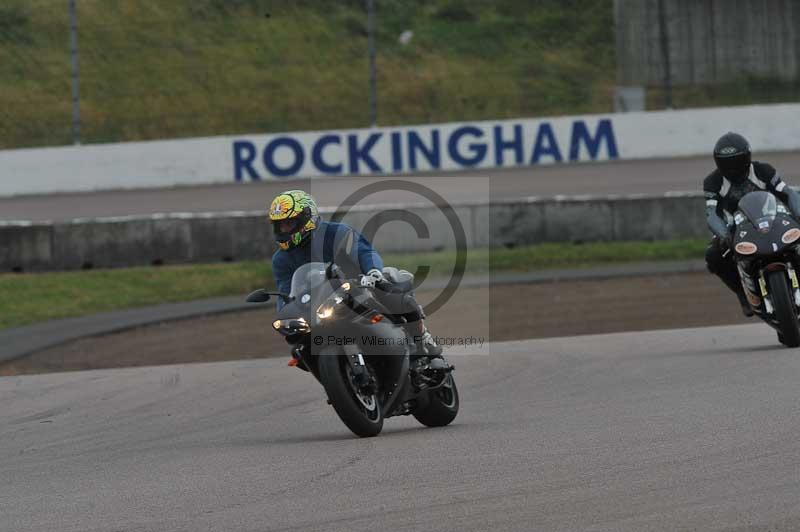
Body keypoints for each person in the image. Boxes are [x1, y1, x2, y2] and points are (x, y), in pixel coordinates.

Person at [268, 189, 443, 360]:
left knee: (393, 284)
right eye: (280, 225)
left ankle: (422, 336)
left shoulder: (337, 232)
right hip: (320, 304)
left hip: (359, 289)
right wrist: (286, 314)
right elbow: (286, 291)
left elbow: (364, 252)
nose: (284, 230)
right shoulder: (280, 260)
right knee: (300, 351)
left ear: (307, 218)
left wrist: (374, 272)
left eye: (289, 223)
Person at [704, 132, 800, 316]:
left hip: (775, 219)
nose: (732, 168)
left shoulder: (763, 170)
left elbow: (789, 193)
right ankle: (743, 293)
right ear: (718, 163)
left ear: (747, 157)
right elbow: (711, 214)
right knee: (713, 255)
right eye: (727, 163)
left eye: (737, 161)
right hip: (736, 229)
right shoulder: (712, 182)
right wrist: (724, 235)